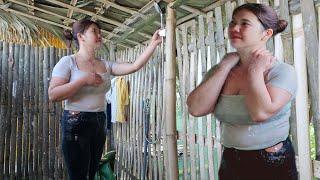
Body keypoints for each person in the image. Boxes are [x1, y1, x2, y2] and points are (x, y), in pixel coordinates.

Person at [187, 3, 297, 180]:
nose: (234, 28)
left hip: (272, 161)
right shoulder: (221, 70)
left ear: (266, 33)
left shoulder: (282, 72)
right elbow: (196, 108)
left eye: (245, 23)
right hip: (231, 159)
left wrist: (254, 71)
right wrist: (224, 66)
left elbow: (260, 113)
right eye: (232, 22)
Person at [48, 19, 162, 180]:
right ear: (81, 36)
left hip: (99, 121)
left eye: (99, 31)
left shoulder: (105, 65)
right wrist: (83, 80)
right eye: (94, 31)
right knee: (79, 176)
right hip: (75, 123)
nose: (99, 35)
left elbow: (134, 66)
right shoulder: (68, 62)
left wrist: (153, 44)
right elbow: (53, 94)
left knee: (92, 173)